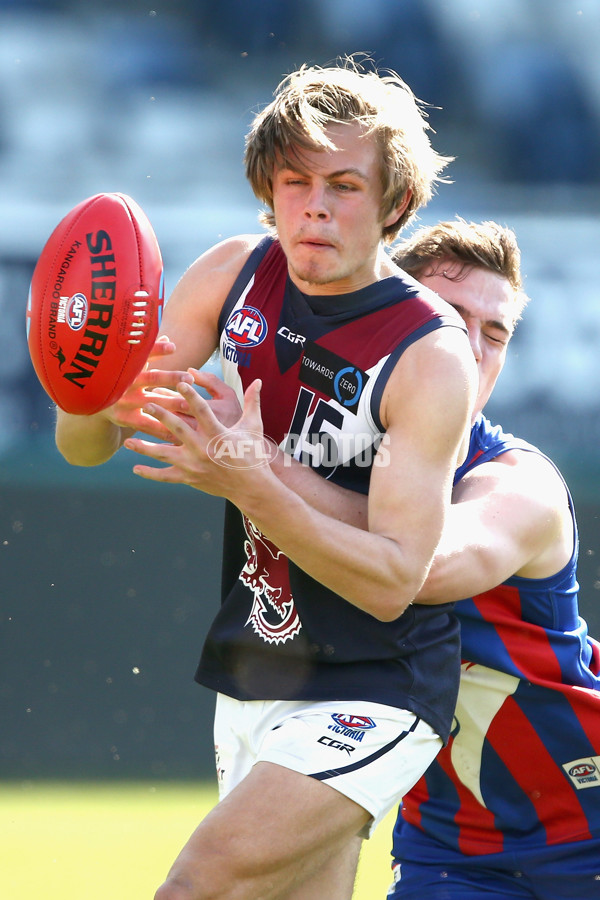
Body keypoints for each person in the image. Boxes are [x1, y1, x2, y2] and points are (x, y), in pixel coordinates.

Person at [54, 60, 477, 900]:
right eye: (296, 180)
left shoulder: (429, 355)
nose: (315, 204)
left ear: (395, 205)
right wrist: (80, 375)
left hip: (379, 684)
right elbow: (88, 445)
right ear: (269, 188)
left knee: (195, 887)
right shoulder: (234, 274)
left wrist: (249, 479)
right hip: (261, 670)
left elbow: (396, 579)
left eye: (346, 185)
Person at [383, 219, 600, 899]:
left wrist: (257, 480)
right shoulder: (327, 458)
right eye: (449, 318)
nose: (471, 349)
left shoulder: (520, 482)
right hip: (446, 844)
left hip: (587, 824)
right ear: (386, 320)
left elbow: (422, 567)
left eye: (496, 334)